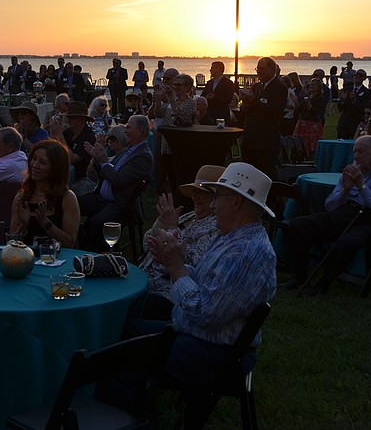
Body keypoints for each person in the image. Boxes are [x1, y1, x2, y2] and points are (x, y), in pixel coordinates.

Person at [125, 162, 276, 423]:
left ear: (237, 203)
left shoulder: (245, 252)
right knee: (123, 331)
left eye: (218, 197)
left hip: (216, 354)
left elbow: (205, 312)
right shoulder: (233, 237)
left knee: (119, 357)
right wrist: (178, 264)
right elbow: (210, 283)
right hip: (199, 337)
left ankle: (125, 420)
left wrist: (176, 270)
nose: (213, 205)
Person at [284, 135, 371, 294]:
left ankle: (323, 284)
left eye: (361, 152)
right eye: (355, 152)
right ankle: (300, 277)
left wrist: (361, 186)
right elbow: (329, 206)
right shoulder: (351, 171)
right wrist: (345, 190)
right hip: (346, 214)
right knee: (298, 225)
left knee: (346, 242)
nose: (356, 157)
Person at [138, 165, 225, 321]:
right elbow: (147, 246)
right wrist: (159, 227)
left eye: (202, 192)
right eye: (195, 191)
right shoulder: (189, 216)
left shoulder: (217, 227)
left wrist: (171, 228)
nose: (195, 196)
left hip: (169, 292)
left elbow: (194, 263)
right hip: (144, 279)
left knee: (126, 313)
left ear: (217, 199)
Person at [78, 115, 154, 252]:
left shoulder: (143, 156)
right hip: (103, 199)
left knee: (97, 222)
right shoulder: (129, 151)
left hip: (120, 204)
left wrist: (102, 162)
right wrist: (96, 159)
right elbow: (107, 171)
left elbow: (118, 180)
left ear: (140, 130)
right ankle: (76, 242)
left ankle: (91, 253)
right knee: (70, 203)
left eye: (128, 127)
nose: (125, 131)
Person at [10, 139, 80, 249]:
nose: (35, 165)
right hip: (27, 260)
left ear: (55, 168)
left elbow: (70, 242)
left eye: (42, 162)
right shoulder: (22, 198)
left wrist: (45, 222)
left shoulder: (67, 198)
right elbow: (12, 243)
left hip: (58, 261)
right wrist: (24, 224)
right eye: (34, 159)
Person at [239, 57, 287, 179]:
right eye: (257, 68)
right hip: (250, 140)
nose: (258, 71)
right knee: (247, 177)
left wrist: (253, 101)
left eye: (262, 69)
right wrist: (244, 105)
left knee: (264, 177)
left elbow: (273, 110)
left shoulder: (279, 88)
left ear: (272, 69)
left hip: (266, 142)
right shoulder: (256, 87)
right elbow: (249, 109)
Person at [49, 101, 96, 196]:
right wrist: (53, 133)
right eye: (68, 117)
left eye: (72, 117)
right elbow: (53, 150)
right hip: (64, 175)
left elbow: (73, 158)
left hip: (81, 178)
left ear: (82, 119)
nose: (69, 120)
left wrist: (60, 136)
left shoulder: (88, 136)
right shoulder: (68, 133)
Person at [161, 74, 197, 193]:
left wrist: (170, 97)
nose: (175, 87)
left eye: (179, 85)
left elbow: (180, 115)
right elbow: (159, 114)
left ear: (187, 87)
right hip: (167, 143)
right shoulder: (171, 102)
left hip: (180, 144)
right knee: (170, 176)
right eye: (174, 84)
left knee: (180, 177)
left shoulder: (191, 103)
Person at [149, 67, 179, 195]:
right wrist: (156, 101)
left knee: (170, 162)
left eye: (167, 79)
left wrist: (165, 97)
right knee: (158, 162)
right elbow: (154, 114)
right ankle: (160, 190)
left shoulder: (179, 95)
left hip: (173, 132)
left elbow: (176, 111)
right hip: (160, 129)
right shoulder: (161, 93)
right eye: (163, 79)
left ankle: (172, 189)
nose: (164, 81)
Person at [293, 77, 325, 160]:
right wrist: (296, 101)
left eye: (314, 85)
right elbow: (299, 109)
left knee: (312, 147)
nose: (311, 86)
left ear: (318, 87)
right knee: (299, 145)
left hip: (313, 124)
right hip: (303, 123)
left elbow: (313, 111)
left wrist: (308, 101)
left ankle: (311, 163)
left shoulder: (320, 98)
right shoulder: (306, 96)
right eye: (310, 84)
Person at [336, 68, 371, 140]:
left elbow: (364, 108)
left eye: (360, 75)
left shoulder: (367, 92)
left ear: (364, 78)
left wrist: (354, 100)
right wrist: (342, 100)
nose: (357, 76)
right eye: (356, 74)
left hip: (356, 123)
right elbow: (340, 108)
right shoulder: (347, 89)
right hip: (344, 123)